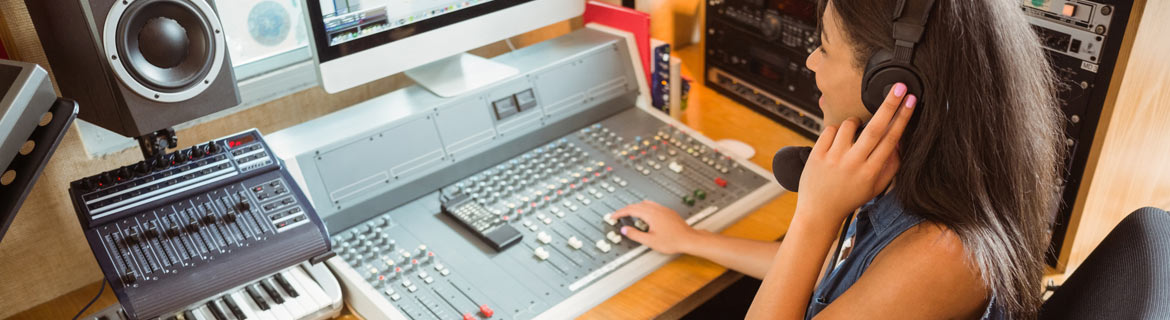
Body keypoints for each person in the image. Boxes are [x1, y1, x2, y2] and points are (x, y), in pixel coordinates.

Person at [612, 0, 1066, 318]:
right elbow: (825, 269)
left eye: (825, 47)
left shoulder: (942, 255)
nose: (811, 62)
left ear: (892, 82)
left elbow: (816, 258)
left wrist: (816, 213)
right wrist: (691, 240)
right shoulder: (910, 170)